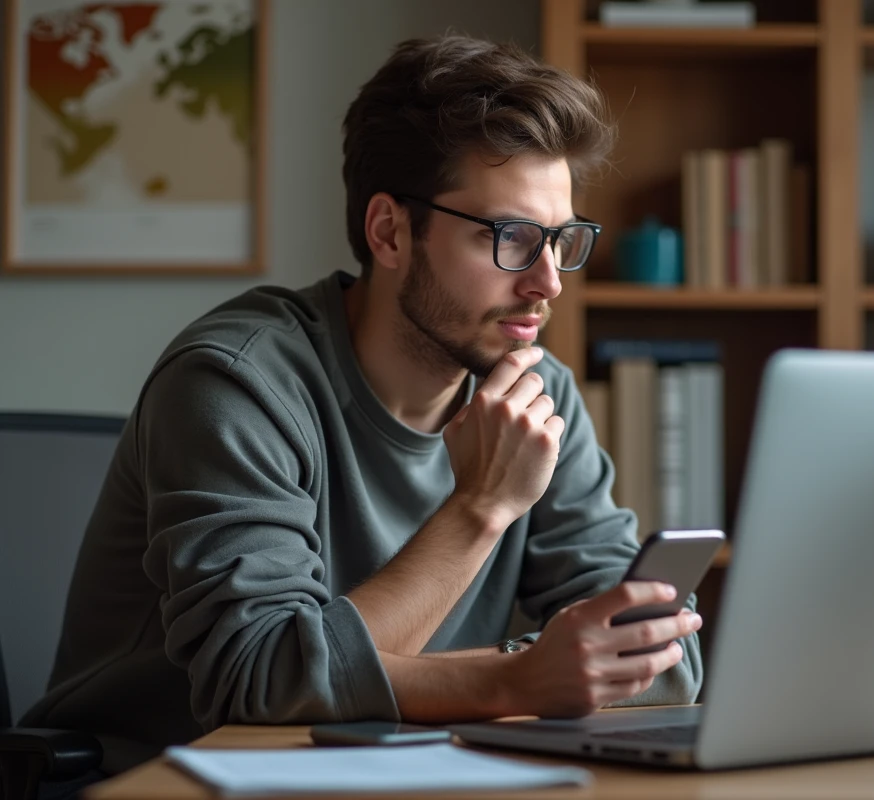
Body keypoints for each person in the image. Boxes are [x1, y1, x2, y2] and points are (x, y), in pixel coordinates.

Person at [20, 35, 703, 775]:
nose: (549, 283)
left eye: (562, 240)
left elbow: (664, 660)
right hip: (163, 778)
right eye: (511, 238)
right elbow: (259, 683)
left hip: (390, 770)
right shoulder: (235, 380)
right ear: (389, 231)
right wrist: (485, 524)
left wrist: (552, 668)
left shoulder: (534, 391)